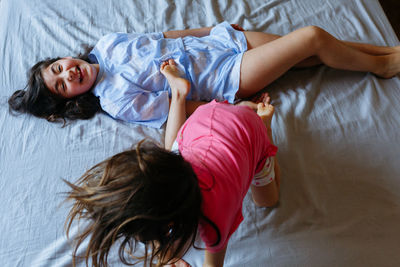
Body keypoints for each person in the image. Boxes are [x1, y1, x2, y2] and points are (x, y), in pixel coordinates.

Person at [64, 59, 280, 267]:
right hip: (203, 119)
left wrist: (165, 256)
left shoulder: (215, 219)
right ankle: (178, 92)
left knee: (267, 200)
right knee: (170, 153)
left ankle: (264, 124)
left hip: (248, 130)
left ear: (171, 226)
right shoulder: (165, 171)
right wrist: (166, 258)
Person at [9, 22, 400, 127]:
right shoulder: (114, 99)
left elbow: (165, 36)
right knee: (311, 39)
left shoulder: (107, 43)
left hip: (220, 42)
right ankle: (383, 66)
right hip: (228, 75)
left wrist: (210, 29)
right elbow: (179, 108)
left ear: (61, 58)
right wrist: (237, 105)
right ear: (71, 98)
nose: (68, 74)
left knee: (307, 53)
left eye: (58, 68)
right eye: (62, 85)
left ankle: (390, 54)